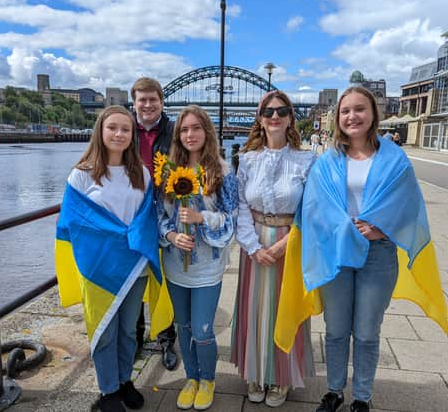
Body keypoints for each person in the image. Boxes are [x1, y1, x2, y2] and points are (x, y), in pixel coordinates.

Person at [300, 87, 448, 412]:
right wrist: (340, 227)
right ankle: (334, 391)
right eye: (345, 111)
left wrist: (382, 228)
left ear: (372, 114)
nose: (352, 116)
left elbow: (409, 206)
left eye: (359, 109)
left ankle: (362, 397)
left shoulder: (394, 158)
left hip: (378, 253)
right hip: (338, 253)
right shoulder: (328, 161)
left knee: (367, 332)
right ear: (338, 118)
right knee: (337, 329)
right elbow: (313, 206)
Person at [56, 106, 162, 412]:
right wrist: (117, 236)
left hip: (134, 266)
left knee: (129, 330)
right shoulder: (81, 174)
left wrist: (129, 237)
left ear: (132, 135)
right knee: (103, 329)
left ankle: (125, 380)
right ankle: (108, 390)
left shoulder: (141, 173)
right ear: (100, 132)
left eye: (125, 129)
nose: (119, 134)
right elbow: (73, 223)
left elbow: (146, 219)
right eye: (112, 128)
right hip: (99, 268)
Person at [231, 90, 315, 408]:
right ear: (260, 119)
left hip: (290, 242)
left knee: (285, 307)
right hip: (254, 241)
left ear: (291, 117)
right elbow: (240, 205)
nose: (275, 117)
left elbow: (310, 210)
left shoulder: (306, 159)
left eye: (281, 111)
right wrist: (253, 247)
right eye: (268, 112)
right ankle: (255, 371)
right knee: (254, 309)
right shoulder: (248, 160)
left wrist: (283, 245)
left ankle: (281, 376)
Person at [157, 105, 238, 410]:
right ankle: (191, 377)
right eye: (184, 129)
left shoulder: (222, 171)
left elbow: (231, 217)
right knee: (184, 326)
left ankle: (208, 379)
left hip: (207, 266)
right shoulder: (167, 171)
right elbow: (159, 216)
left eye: (196, 128)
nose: (190, 135)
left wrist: (202, 218)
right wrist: (171, 236)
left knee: (203, 329)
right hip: (177, 263)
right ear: (178, 135)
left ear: (207, 131)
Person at [131, 77, 178, 371]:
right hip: (133, 216)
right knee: (133, 280)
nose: (147, 105)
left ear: (162, 101)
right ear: (134, 102)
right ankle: (135, 338)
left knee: (164, 280)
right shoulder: (125, 130)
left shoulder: (173, 131)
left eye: (153, 99)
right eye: (142, 99)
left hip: (166, 215)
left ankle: (165, 338)